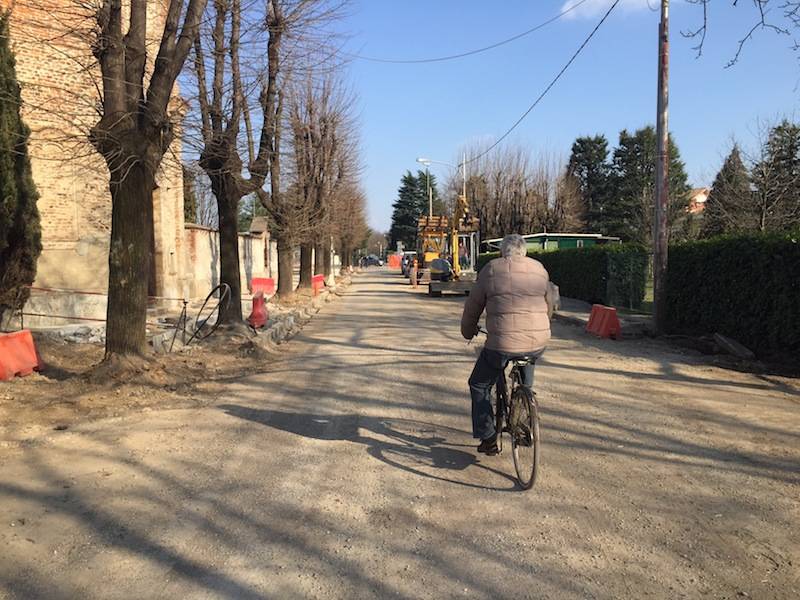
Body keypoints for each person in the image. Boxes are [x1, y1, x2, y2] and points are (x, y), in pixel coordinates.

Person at [460, 234, 553, 456]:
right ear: (525, 252)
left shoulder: (491, 269)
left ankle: (489, 436)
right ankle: (524, 411)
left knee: (479, 384)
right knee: (526, 365)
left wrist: (467, 331)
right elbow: (550, 304)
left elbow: (473, 307)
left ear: (503, 252)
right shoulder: (540, 269)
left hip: (501, 344)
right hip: (537, 341)